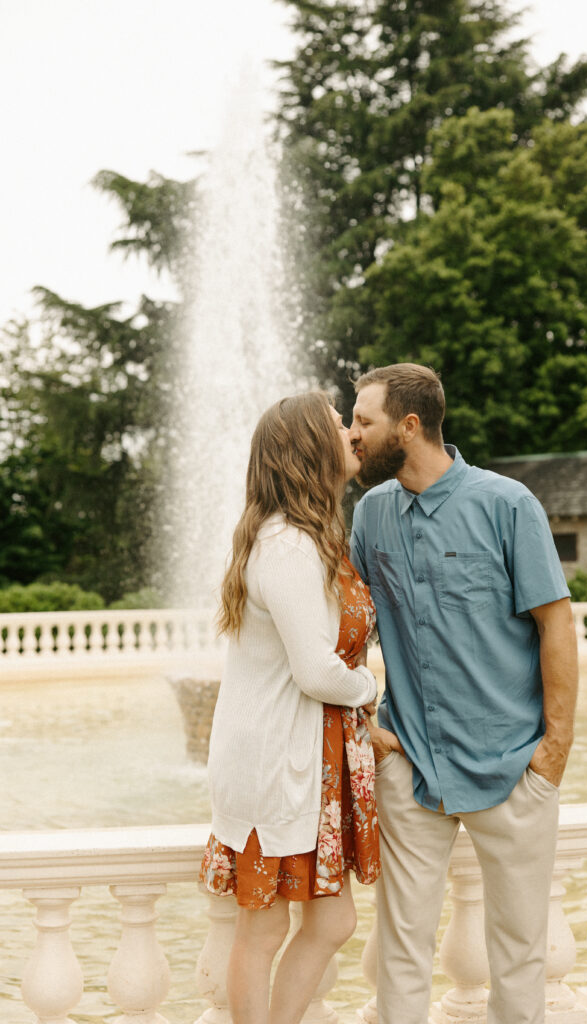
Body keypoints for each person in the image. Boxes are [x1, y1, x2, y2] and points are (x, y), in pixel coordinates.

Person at [349, 363, 578, 1024]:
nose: (353, 434)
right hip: (411, 762)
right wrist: (370, 728)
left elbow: (554, 621)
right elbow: (353, 627)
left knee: (517, 954)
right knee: (399, 948)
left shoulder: (506, 505)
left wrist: (552, 749)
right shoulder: (370, 515)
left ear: (409, 425)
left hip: (512, 764)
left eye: (364, 420)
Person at [199, 391, 380, 1024]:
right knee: (265, 927)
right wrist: (372, 691)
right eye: (338, 425)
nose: (350, 434)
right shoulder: (288, 547)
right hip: (274, 764)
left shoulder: (304, 537)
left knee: (333, 920)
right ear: (308, 448)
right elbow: (316, 672)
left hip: (301, 759)